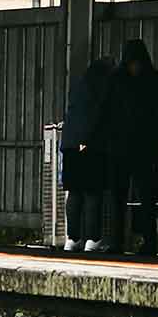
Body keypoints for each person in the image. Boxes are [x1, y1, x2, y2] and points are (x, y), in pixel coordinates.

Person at [101, 37, 158, 258]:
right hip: (133, 146)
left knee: (145, 197)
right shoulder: (150, 80)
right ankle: (120, 241)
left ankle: (147, 242)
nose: (134, 67)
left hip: (134, 147)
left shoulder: (119, 80)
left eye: (137, 63)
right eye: (132, 63)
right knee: (120, 197)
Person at [59, 53, 117, 254]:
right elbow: (98, 116)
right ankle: (93, 239)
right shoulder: (103, 87)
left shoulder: (79, 85)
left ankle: (72, 239)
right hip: (91, 145)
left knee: (74, 192)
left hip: (69, 144)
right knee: (93, 193)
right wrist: (88, 140)